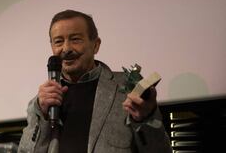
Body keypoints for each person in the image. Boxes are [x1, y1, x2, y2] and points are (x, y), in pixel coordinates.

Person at [18, 9, 171, 153]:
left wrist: (145, 119)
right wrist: (42, 116)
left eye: (75, 39)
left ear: (96, 45)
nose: (66, 48)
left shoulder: (127, 88)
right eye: (58, 41)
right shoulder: (41, 103)